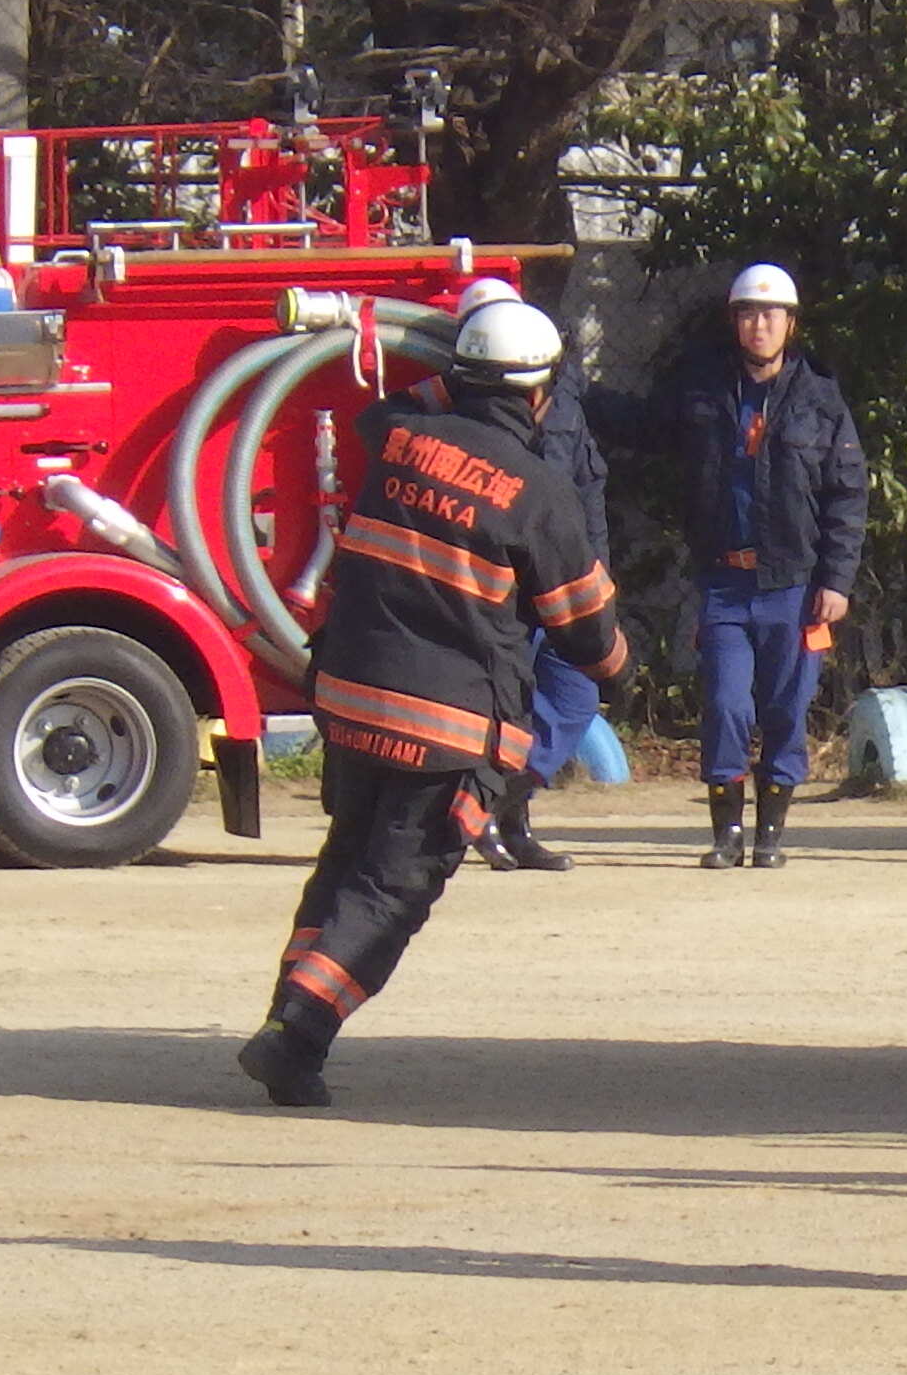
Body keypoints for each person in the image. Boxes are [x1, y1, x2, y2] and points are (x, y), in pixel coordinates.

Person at [236, 297, 630, 1106]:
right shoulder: (537, 489)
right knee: (394, 886)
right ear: (539, 394)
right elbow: (587, 627)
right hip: (443, 726)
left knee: (344, 866)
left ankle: (289, 1021)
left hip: (349, 699)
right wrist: (623, 672)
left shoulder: (396, 440)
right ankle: (301, 1029)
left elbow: (391, 409)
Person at [653, 263, 864, 869]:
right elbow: (645, 432)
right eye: (748, 313)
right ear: (734, 322)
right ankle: (726, 836)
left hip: (794, 586)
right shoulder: (701, 392)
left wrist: (837, 581)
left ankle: (771, 835)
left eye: (770, 314)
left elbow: (847, 494)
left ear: (790, 324)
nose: (759, 324)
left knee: (785, 710)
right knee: (724, 704)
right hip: (724, 581)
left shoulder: (821, 400)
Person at [450, 277, 609, 874]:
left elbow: (588, 490)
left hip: (558, 582)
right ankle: (493, 820)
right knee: (501, 708)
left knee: (574, 694)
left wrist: (598, 573)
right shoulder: (452, 410)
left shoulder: (561, 402)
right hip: (494, 591)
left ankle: (504, 805)